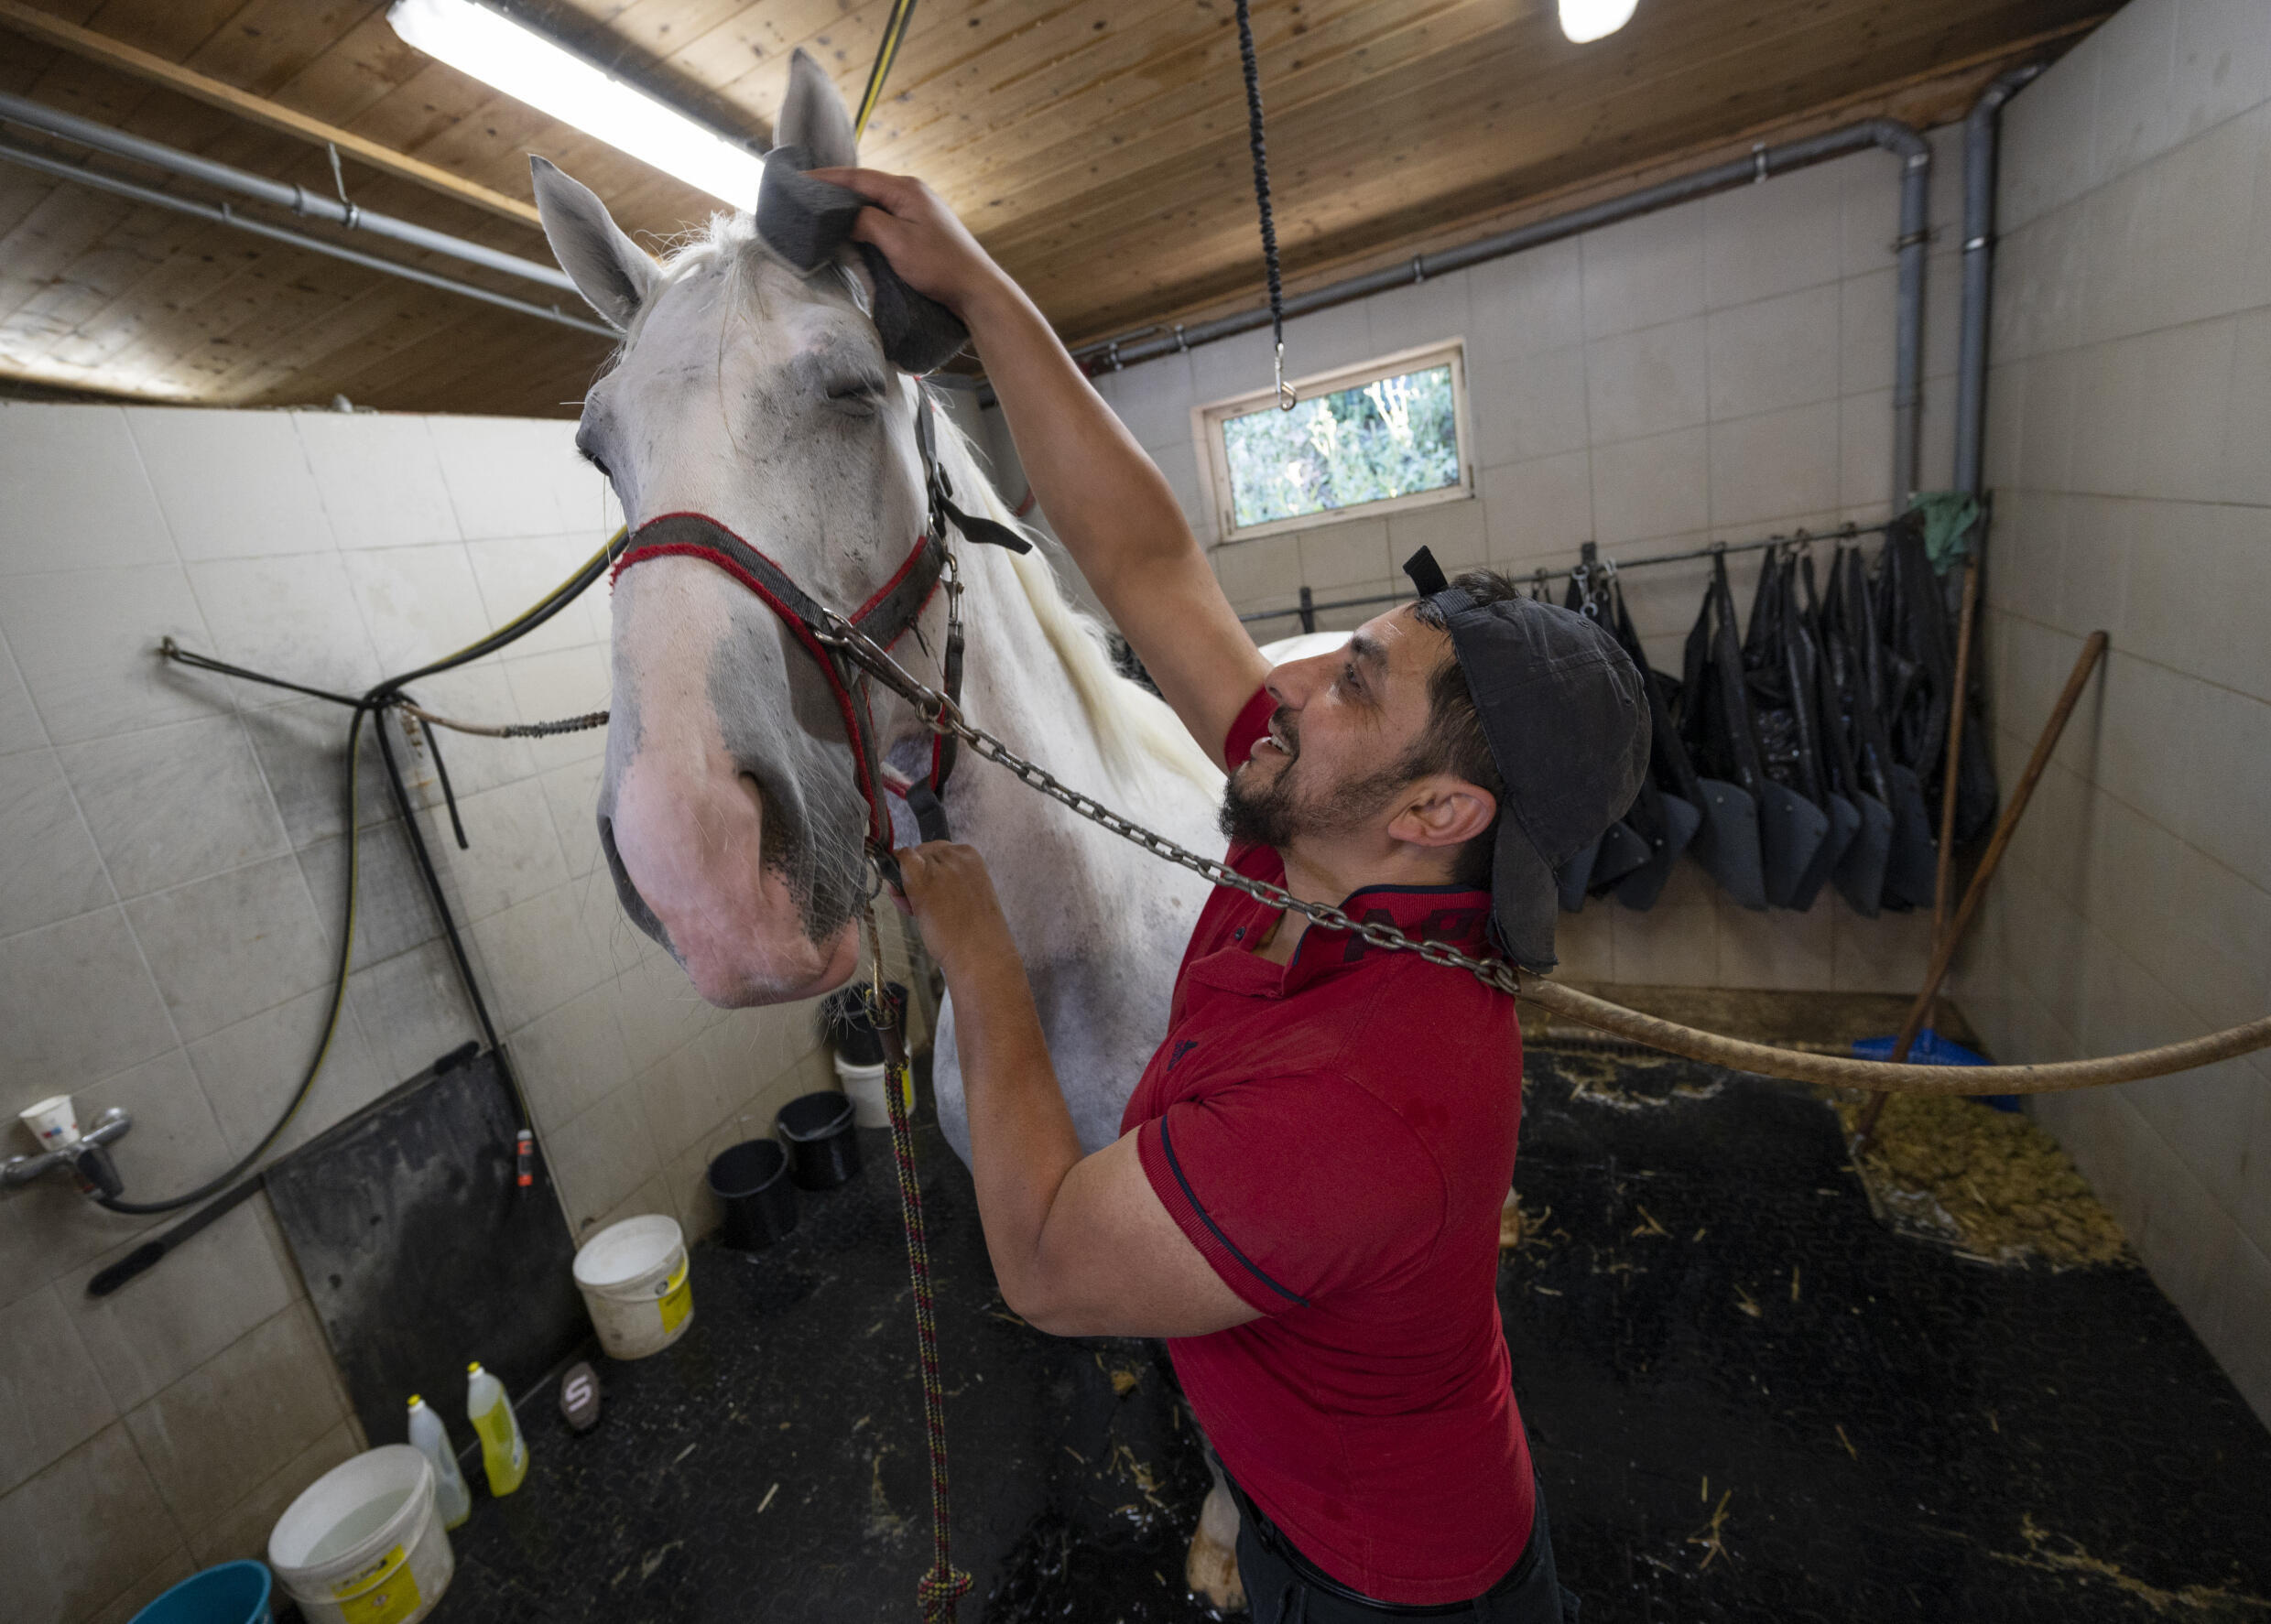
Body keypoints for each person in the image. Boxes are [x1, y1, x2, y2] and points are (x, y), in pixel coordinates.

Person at [819, 165, 1648, 1623]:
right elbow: (1144, 562)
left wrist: (980, 958)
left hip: (1396, 1590)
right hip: (1292, 1514)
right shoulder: (1322, 829)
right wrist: (973, 280)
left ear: (1442, 810)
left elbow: (1047, 1259)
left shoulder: (1376, 1097)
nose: (1299, 673)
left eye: (1358, 679)